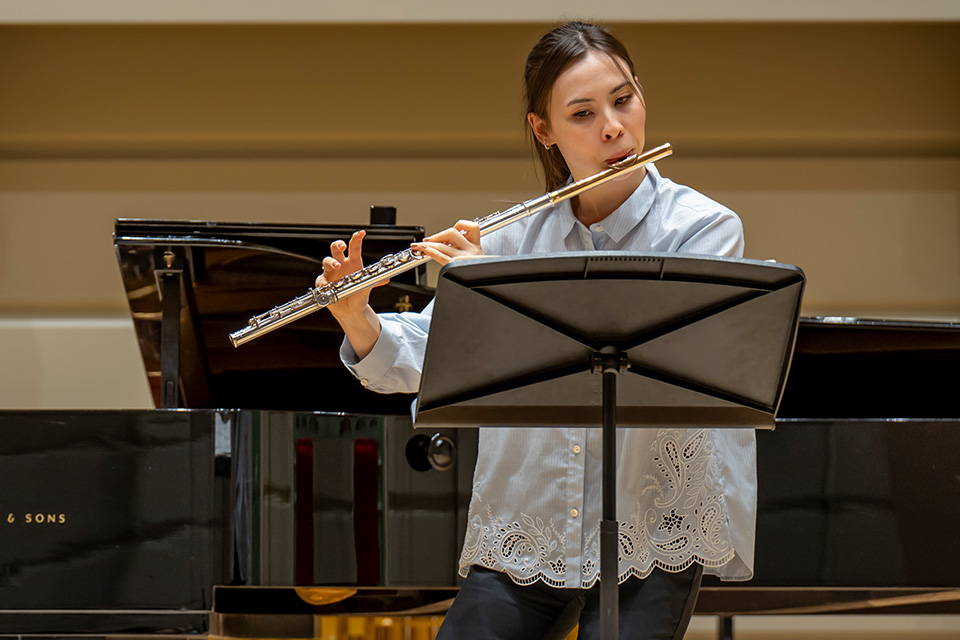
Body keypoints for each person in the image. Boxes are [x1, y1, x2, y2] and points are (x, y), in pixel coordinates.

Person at [317, 21, 753, 640]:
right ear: (543, 130)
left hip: (649, 531)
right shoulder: (512, 239)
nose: (612, 127)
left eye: (623, 100)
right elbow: (424, 356)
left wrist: (496, 290)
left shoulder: (703, 231)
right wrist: (356, 314)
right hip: (530, 521)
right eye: (582, 113)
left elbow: (630, 351)